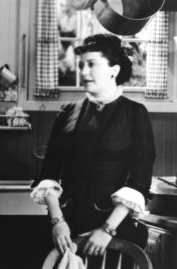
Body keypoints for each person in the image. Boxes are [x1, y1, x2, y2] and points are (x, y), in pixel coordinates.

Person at [31, 34, 155, 255]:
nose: (84, 72)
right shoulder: (67, 112)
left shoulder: (135, 114)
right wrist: (57, 221)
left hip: (115, 232)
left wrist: (107, 230)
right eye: (81, 65)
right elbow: (48, 174)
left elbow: (139, 182)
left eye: (91, 64)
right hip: (66, 229)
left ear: (113, 71)